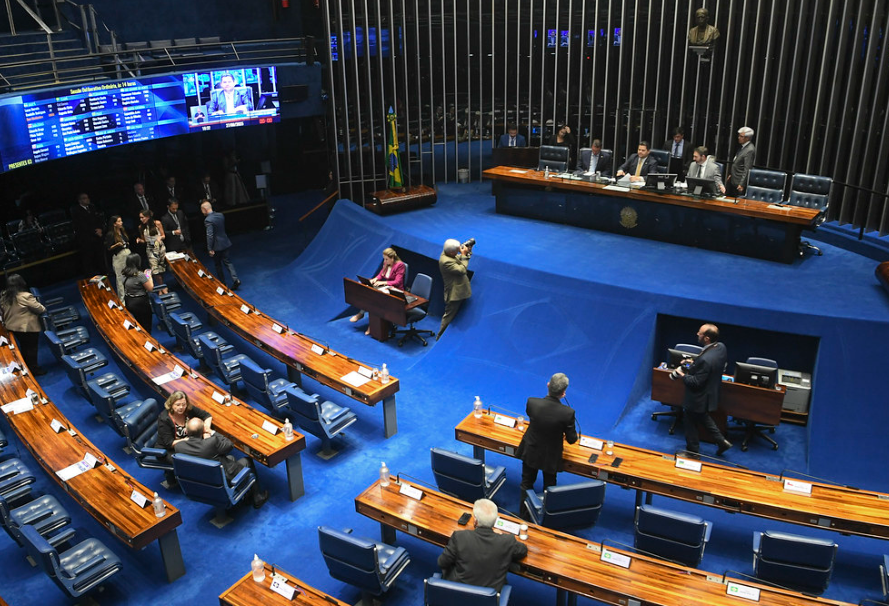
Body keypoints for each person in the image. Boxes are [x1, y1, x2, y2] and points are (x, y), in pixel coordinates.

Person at [174, 417, 269, 508]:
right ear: (203, 430)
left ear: (186, 431)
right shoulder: (210, 442)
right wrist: (211, 432)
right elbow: (229, 445)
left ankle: (247, 494)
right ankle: (257, 497)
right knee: (246, 461)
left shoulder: (179, 447)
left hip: (200, 483)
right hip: (221, 481)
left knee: (230, 458)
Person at [437, 498, 527, 591]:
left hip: (459, 592)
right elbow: (523, 550)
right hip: (488, 598)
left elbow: (442, 562)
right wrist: (500, 535)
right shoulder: (507, 541)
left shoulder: (459, 537)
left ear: (475, 520)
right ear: (495, 521)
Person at [673, 323, 732, 456]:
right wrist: (693, 363)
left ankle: (692, 452)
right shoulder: (720, 347)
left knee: (690, 423)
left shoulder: (706, 360)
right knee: (704, 418)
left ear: (706, 338)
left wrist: (682, 375)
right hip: (710, 392)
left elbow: (696, 382)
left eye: (700, 333)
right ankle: (722, 442)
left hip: (697, 398)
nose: (697, 334)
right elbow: (708, 366)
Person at [516, 373, 578, 499]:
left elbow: (533, 417)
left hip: (531, 449)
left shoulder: (532, 402)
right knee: (549, 487)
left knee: (526, 483)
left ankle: (523, 516)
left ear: (548, 385)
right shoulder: (567, 413)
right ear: (563, 393)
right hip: (551, 456)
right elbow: (572, 439)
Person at [156, 391, 212, 485]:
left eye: (183, 404)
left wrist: (206, 429)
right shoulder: (164, 418)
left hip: (187, 443)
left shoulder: (187, 410)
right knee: (194, 461)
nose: (181, 407)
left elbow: (207, 416)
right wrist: (187, 440)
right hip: (168, 450)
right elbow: (169, 443)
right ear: (171, 404)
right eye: (177, 405)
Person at [349, 247, 406, 335]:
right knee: (369, 294)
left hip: (395, 290)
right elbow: (380, 275)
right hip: (386, 287)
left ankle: (372, 325)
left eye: (386, 259)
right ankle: (361, 313)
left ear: (392, 258)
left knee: (376, 299)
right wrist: (374, 280)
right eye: (384, 259)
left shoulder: (400, 265)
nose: (385, 261)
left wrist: (382, 282)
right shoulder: (386, 263)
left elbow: (397, 282)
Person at [0, 274, 46, 375]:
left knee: (24, 347)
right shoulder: (25, 296)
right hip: (27, 327)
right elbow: (40, 309)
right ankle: (34, 369)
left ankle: (28, 368)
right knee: (31, 349)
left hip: (12, 327)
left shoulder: (4, 296)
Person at [438, 238, 472, 339]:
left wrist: (467, 252)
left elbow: (459, 259)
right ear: (452, 252)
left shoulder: (448, 253)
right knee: (448, 316)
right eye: (457, 250)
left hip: (459, 290)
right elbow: (462, 269)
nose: (459, 251)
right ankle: (440, 337)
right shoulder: (445, 261)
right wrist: (464, 255)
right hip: (454, 294)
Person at [202, 200, 240, 289]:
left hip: (216, 246)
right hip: (225, 242)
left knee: (218, 264)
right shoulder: (220, 215)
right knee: (228, 262)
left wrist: (209, 248)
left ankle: (223, 284)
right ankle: (235, 279)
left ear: (204, 209)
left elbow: (210, 235)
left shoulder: (208, 220)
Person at [70, 192, 105, 275]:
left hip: (97, 235)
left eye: (87, 197)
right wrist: (95, 231)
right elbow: (81, 225)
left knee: (100, 255)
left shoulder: (92, 207)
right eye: (85, 198)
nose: (87, 199)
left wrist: (100, 229)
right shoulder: (76, 210)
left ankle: (104, 271)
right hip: (86, 237)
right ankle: (89, 275)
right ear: (80, 201)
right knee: (88, 258)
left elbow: (98, 219)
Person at [136, 209, 167, 291]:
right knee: (154, 270)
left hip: (160, 247)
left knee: (161, 269)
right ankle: (162, 288)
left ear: (148, 217)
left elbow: (163, 235)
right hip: (150, 249)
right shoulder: (140, 227)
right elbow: (144, 240)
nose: (141, 219)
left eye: (143, 217)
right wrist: (139, 240)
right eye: (140, 218)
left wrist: (160, 237)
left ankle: (162, 285)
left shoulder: (157, 223)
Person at [121, 253, 153, 332]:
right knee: (146, 326)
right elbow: (150, 288)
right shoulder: (140, 275)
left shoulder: (124, 273)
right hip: (141, 303)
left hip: (129, 301)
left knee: (138, 323)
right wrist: (149, 276)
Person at [104, 215, 132, 300]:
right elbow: (108, 248)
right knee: (120, 279)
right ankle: (122, 300)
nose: (121, 223)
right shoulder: (111, 234)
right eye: (119, 221)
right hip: (119, 257)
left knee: (131, 276)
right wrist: (116, 245)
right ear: (114, 224)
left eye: (121, 221)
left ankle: (132, 295)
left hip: (127, 254)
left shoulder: (122, 231)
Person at [726, 127, 756, 196]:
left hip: (739, 182)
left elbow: (747, 168)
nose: (739, 137)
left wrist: (742, 184)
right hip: (734, 179)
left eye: (741, 136)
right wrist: (731, 174)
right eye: (739, 136)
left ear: (747, 138)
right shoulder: (743, 147)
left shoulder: (750, 150)